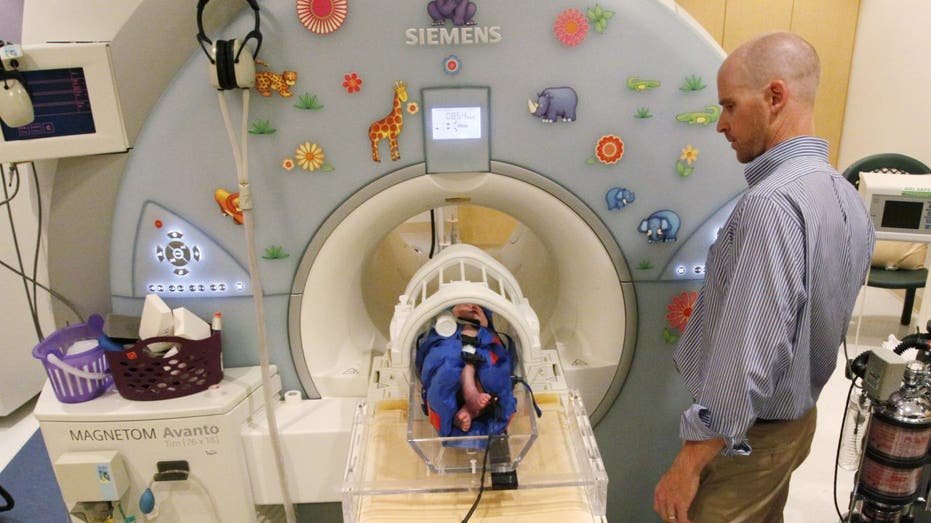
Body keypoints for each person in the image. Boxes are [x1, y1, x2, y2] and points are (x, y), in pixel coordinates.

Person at [653, 32, 875, 523]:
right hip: (796, 424)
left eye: (730, 106)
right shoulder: (844, 197)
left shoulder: (770, 206)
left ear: (775, 97)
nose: (720, 124)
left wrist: (687, 465)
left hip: (747, 439)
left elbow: (746, 357)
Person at [416, 303, 516, 438]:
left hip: (476, 377)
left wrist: (484, 327)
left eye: (475, 311)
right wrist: (449, 315)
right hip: (458, 367)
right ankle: (468, 403)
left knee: (483, 375)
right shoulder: (444, 323)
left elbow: (500, 353)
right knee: (458, 365)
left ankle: (469, 408)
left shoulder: (487, 327)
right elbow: (431, 344)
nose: (470, 308)